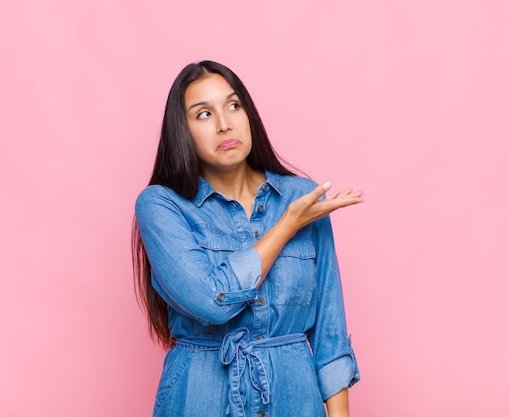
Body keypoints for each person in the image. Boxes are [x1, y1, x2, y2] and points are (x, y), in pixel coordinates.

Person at [132, 60, 363, 417]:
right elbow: (211, 301)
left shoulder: (302, 197)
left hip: (295, 401)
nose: (225, 123)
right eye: (204, 114)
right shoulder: (162, 205)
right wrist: (287, 224)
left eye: (234, 105)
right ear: (183, 131)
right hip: (200, 399)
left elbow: (330, 334)